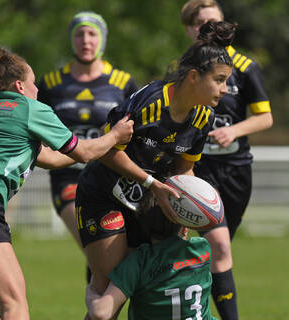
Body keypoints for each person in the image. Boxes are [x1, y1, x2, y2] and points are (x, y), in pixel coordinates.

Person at [75, 20, 236, 319]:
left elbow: (184, 169)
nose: (226, 89)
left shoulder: (204, 117)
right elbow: (107, 150)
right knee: (110, 285)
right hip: (103, 195)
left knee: (151, 280)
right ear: (193, 77)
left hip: (149, 200)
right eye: (220, 80)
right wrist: (151, 183)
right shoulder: (151, 102)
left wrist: (187, 206)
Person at [0, 43, 133, 320]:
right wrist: (114, 136)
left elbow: (54, 158)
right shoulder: (29, 108)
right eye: (34, 84)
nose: (38, 90)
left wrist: (99, 144)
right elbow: (81, 153)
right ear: (21, 86)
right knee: (14, 308)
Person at [165, 1, 273, 319]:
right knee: (218, 246)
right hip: (196, 168)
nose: (209, 29)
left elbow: (264, 118)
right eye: (201, 23)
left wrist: (234, 131)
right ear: (190, 29)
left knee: (218, 250)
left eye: (215, 22)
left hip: (236, 170)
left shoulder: (246, 66)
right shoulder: (183, 66)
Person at [37, 11, 137, 247]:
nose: (85, 40)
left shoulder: (122, 82)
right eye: (79, 34)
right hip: (67, 177)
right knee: (93, 242)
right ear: (71, 39)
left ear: (102, 39)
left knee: (111, 251)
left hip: (111, 175)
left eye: (92, 34)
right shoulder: (51, 83)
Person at [85, 195, 219, 320]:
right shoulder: (201, 249)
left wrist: (91, 291)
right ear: (184, 226)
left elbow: (101, 313)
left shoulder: (138, 261)